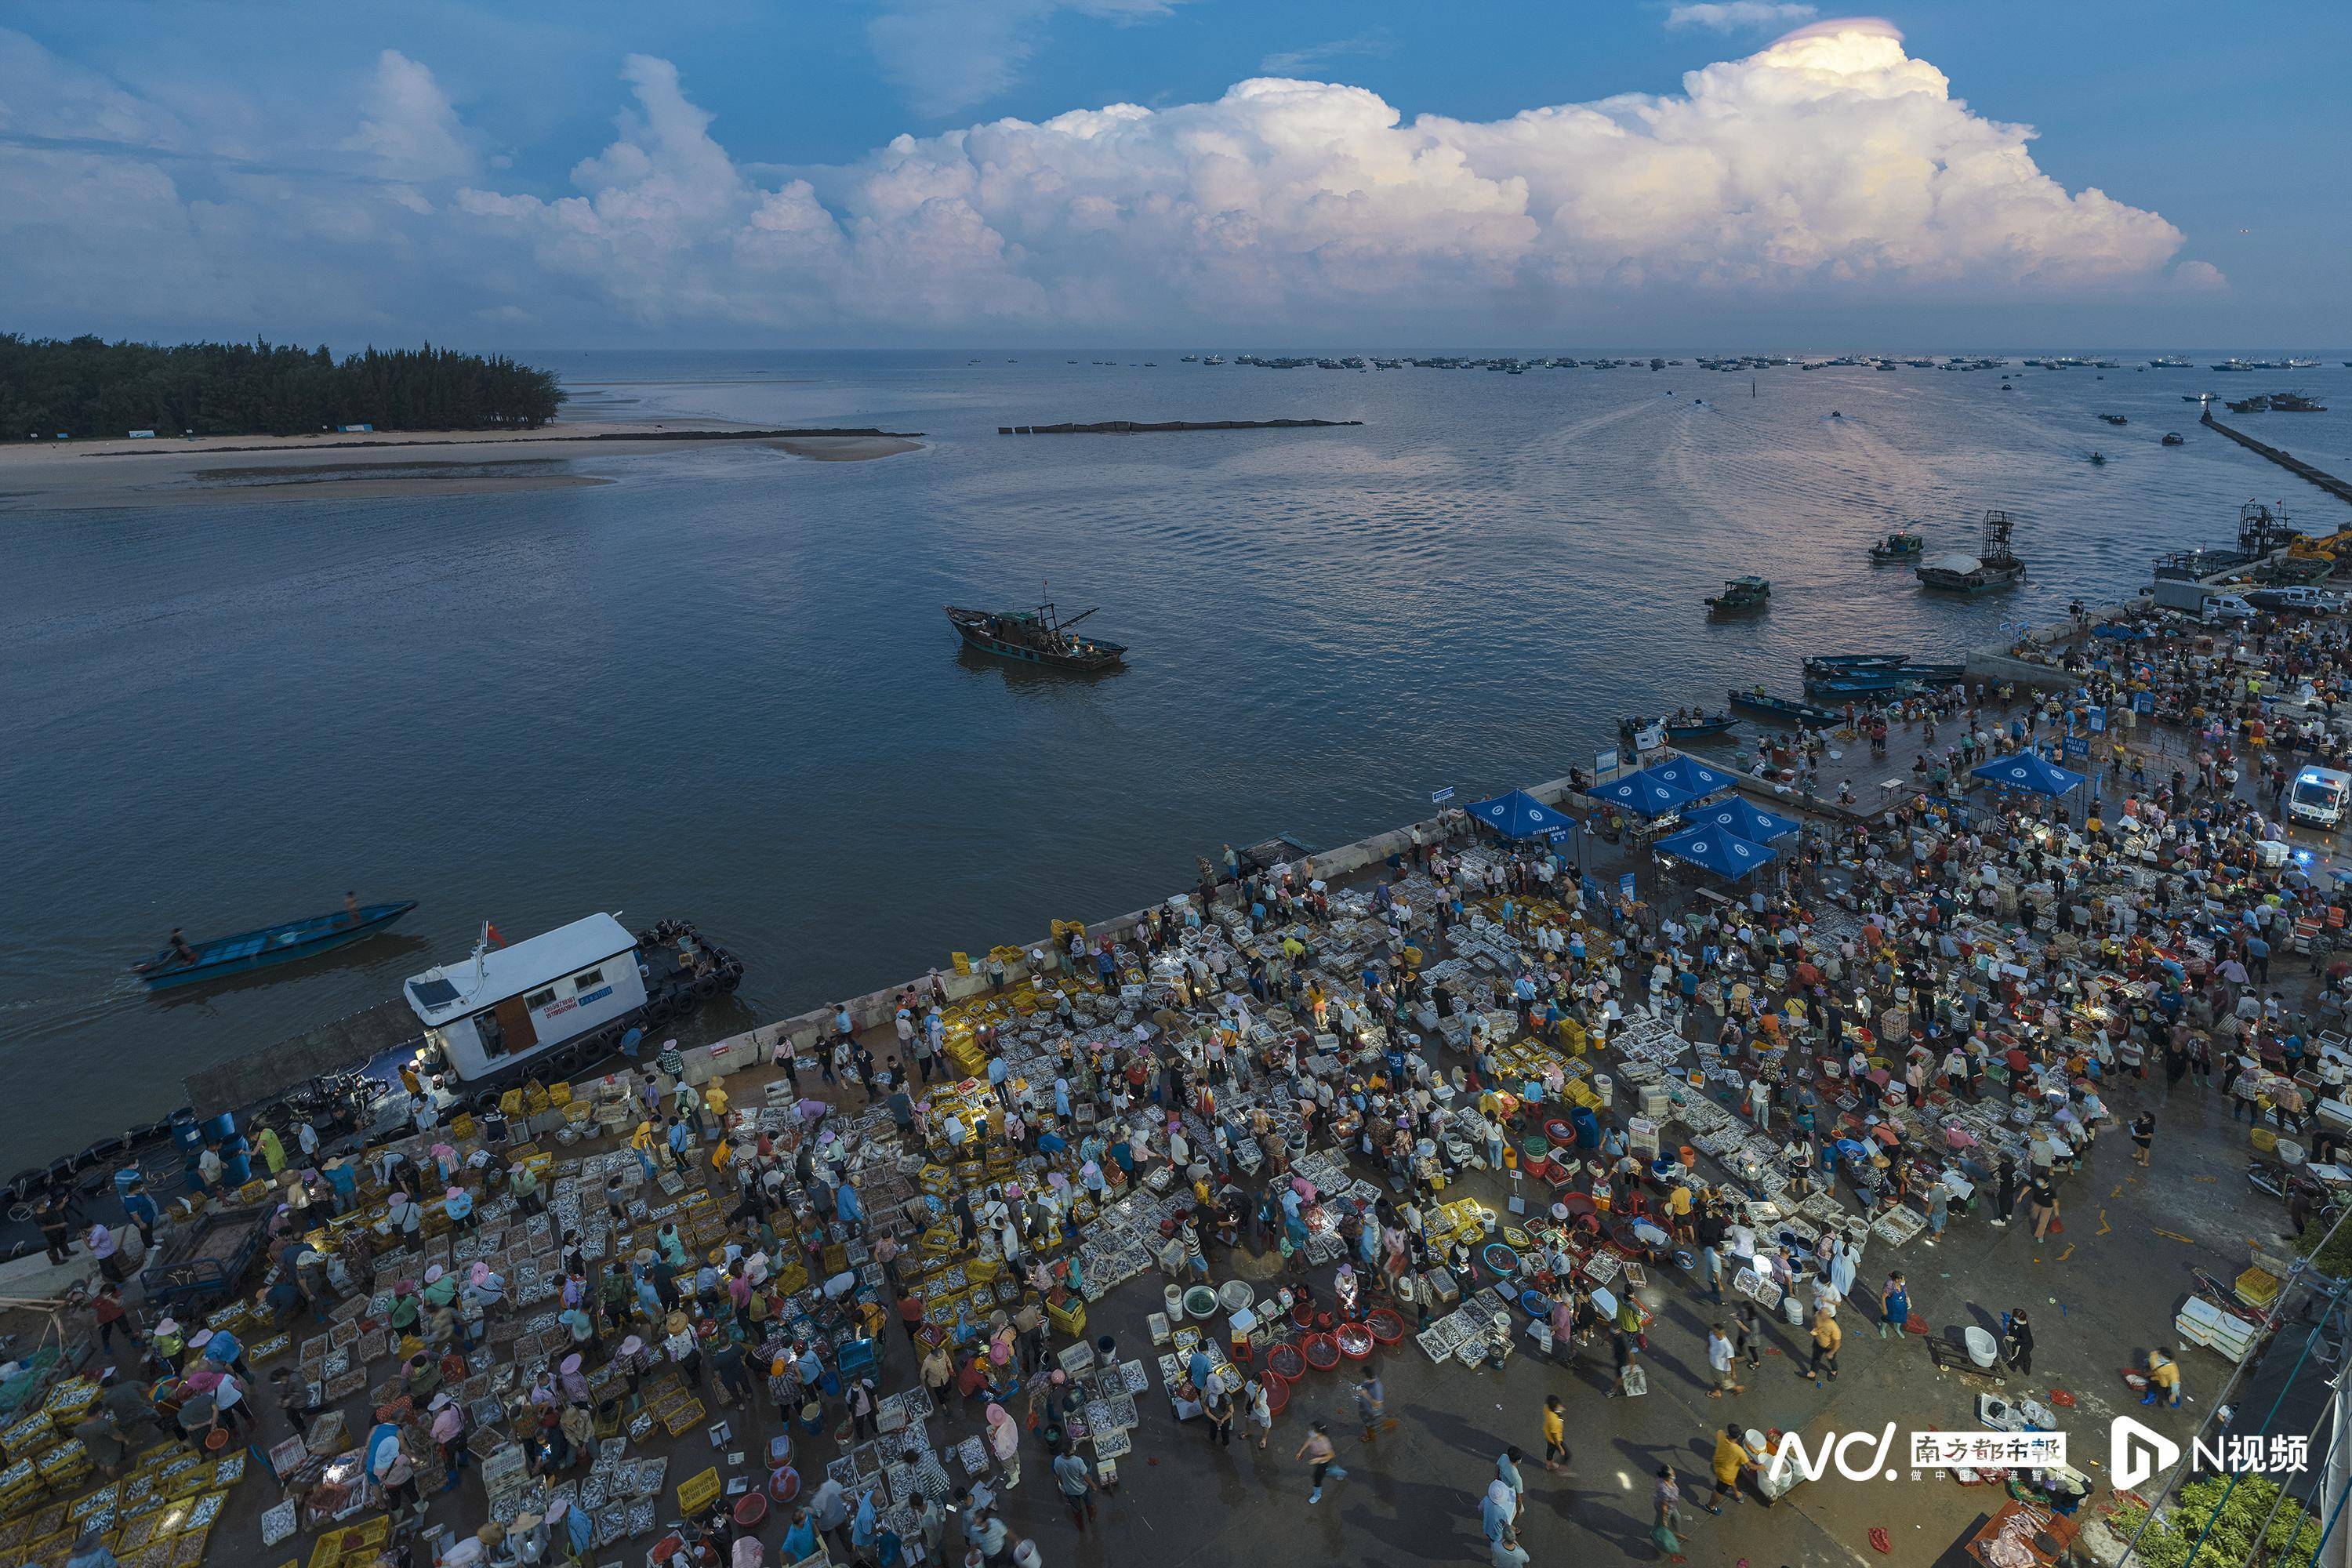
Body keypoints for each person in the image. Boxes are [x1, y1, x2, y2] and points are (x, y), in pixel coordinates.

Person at [1298, 1420, 1348, 1504]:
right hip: (1317, 1458)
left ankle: (1317, 1495)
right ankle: (1338, 1471)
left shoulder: (1324, 1443)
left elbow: (1331, 1455)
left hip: (1323, 1461)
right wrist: (1301, 1451)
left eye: (1314, 1430)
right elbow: (1309, 1441)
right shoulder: (1314, 1436)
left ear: (1320, 1433)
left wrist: (1318, 1460)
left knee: (1317, 1478)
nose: (1312, 1431)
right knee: (1324, 1472)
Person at [1051, 1447, 1098, 1532]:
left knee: (1076, 1509)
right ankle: (1091, 1517)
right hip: (1082, 1488)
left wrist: (1063, 1485)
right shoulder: (1078, 1461)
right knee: (1089, 1503)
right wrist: (1093, 1485)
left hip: (1070, 1491)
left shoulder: (1057, 1461)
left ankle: (1081, 1525)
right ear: (1071, 1451)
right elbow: (1086, 1476)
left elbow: (1057, 1475)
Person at [1708, 1424, 1751, 1512]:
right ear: (1739, 1436)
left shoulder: (1721, 1435)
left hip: (1720, 1466)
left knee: (1730, 1482)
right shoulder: (1738, 1451)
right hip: (1725, 1473)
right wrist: (1761, 1467)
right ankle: (1710, 1506)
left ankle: (1738, 1494)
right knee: (1719, 1490)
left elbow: (1719, 1433)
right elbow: (1750, 1465)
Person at [1807, 1303, 1841, 1385]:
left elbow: (1837, 1344)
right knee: (1815, 1358)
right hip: (1818, 1342)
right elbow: (1814, 1319)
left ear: (1827, 1317)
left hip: (1829, 1347)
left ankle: (1834, 1371)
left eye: (1821, 1314)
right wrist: (1815, 1328)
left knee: (1831, 1360)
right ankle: (1813, 1372)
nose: (1819, 1314)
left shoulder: (1834, 1328)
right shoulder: (1818, 1315)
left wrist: (1831, 1353)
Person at [1706, 1323, 1742, 1396]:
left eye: (1714, 1331)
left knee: (1726, 1384)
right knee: (1715, 1378)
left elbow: (1732, 1360)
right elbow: (1710, 1341)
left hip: (1722, 1369)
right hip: (1713, 1364)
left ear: (1720, 1333)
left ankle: (1739, 1389)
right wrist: (1707, 1347)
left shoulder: (1727, 1346)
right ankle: (1717, 1391)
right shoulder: (1712, 1334)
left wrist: (1733, 1372)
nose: (1712, 1331)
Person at [1541, 1394, 1570, 1473]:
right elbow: (1554, 1436)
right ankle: (1560, 1468)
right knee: (1567, 1455)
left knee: (1550, 1450)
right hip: (1555, 1439)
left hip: (1548, 1435)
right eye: (1558, 1405)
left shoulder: (1546, 1408)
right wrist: (1560, 1448)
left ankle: (1549, 1465)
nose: (1560, 1406)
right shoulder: (1555, 1422)